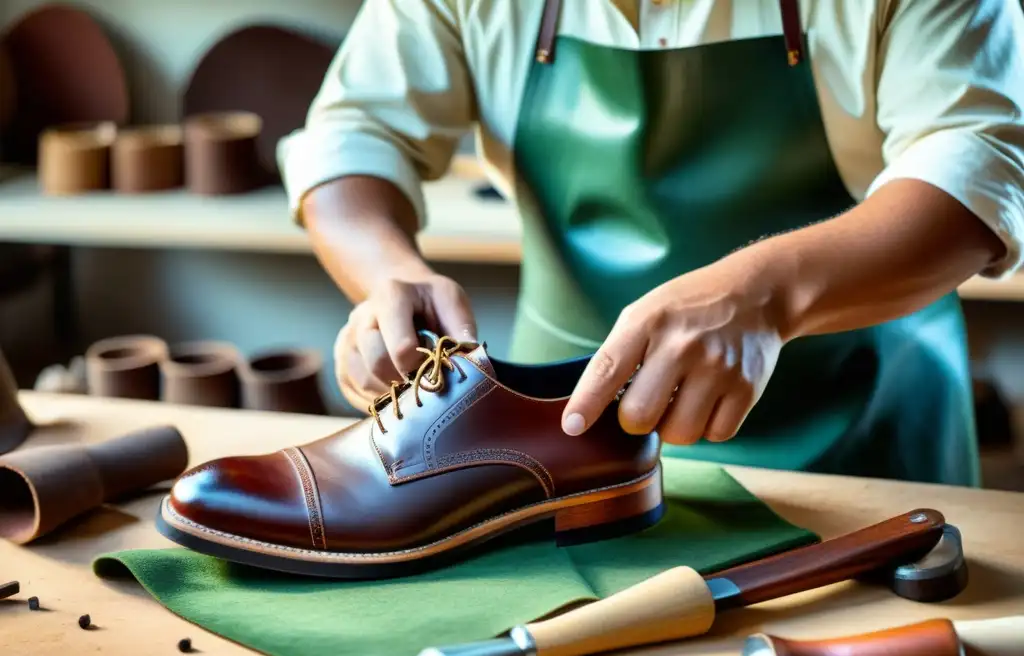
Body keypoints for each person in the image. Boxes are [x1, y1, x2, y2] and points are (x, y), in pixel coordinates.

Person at [277, 0, 1024, 487]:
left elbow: (979, 166)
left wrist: (765, 295)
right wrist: (388, 275)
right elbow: (354, 133)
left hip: (866, 437)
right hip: (567, 450)